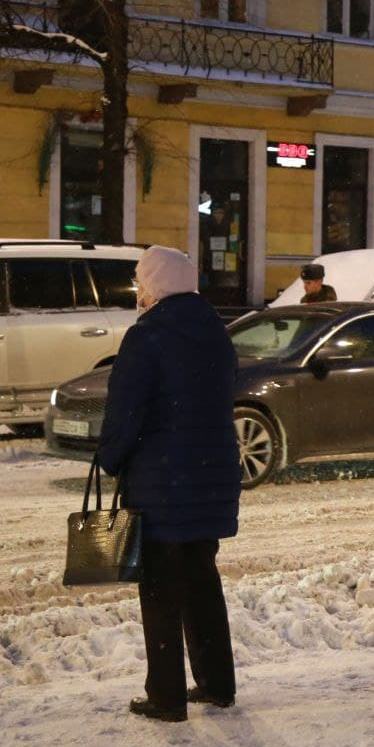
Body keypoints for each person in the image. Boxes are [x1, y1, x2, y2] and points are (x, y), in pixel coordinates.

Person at [98, 245, 242, 722]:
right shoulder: (214, 331)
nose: (139, 291)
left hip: (163, 481)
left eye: (143, 281)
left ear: (157, 283)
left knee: (159, 589)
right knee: (201, 580)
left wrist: (111, 458)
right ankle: (217, 683)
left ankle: (166, 697)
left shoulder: (149, 335)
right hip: (211, 476)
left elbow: (126, 409)